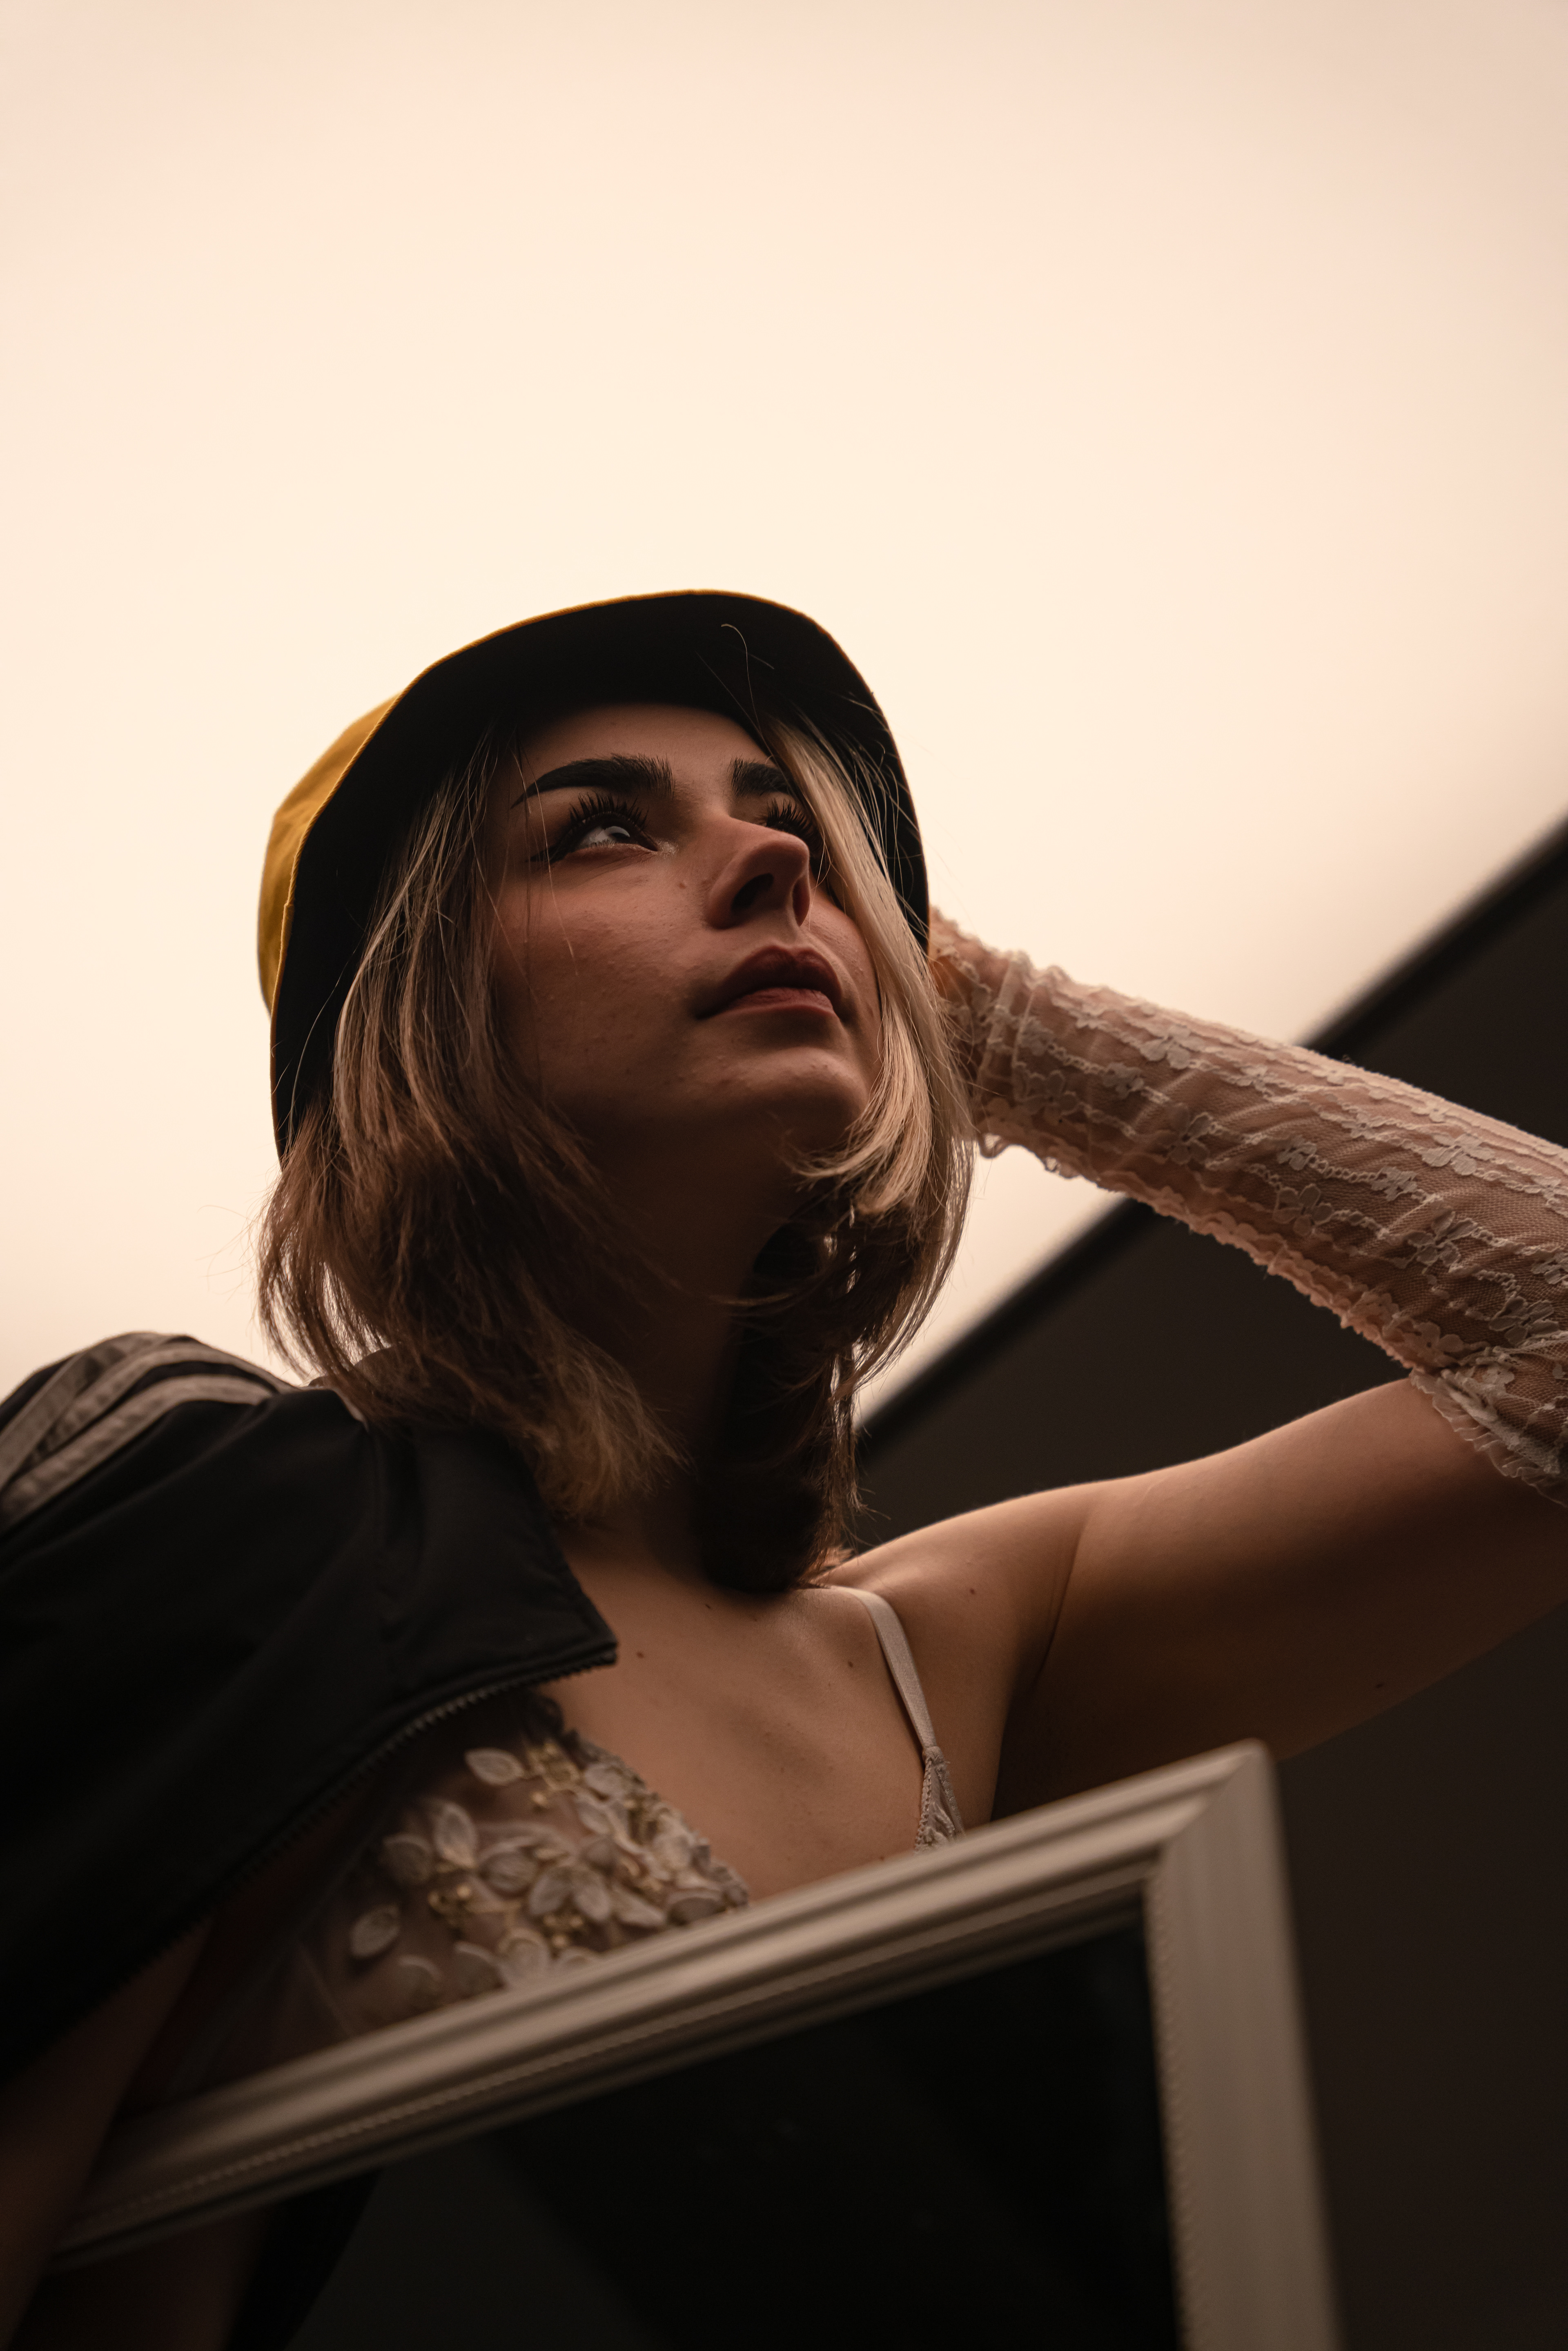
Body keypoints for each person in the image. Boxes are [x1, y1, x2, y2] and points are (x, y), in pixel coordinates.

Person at [4, 589, 1568, 2346]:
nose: (778, 861)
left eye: (796, 826)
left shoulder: (940, 1657)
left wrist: (977, 1014)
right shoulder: (234, 1512)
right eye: (603, 828)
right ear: (418, 1009)